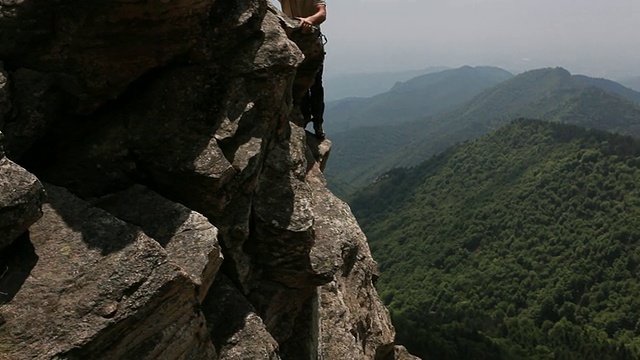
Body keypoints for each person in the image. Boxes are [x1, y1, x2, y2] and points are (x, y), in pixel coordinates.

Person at [278, 0, 327, 139]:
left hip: (311, 44)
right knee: (300, 85)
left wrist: (310, 20)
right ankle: (304, 120)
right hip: (294, 44)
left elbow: (322, 13)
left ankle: (317, 122)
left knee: (315, 84)